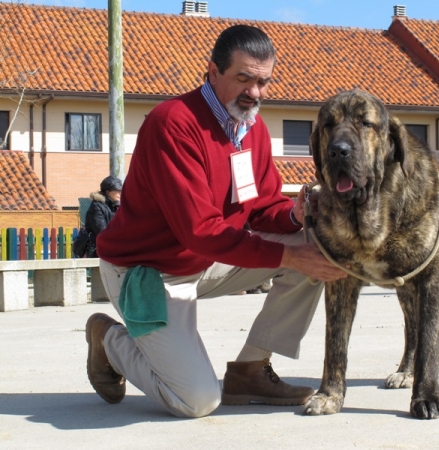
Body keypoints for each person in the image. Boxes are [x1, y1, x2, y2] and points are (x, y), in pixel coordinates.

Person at [85, 24, 347, 418]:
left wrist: (294, 214)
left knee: (316, 252)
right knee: (197, 401)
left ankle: (250, 370)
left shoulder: (252, 128)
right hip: (148, 274)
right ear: (212, 72)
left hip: (204, 260)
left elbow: (260, 209)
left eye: (263, 81)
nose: (254, 93)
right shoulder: (173, 123)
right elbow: (200, 230)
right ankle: (109, 340)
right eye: (243, 78)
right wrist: (289, 258)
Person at [84, 175, 122, 257]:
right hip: (98, 251)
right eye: (118, 191)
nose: (120, 193)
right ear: (108, 192)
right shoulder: (96, 206)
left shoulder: (117, 206)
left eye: (121, 191)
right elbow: (101, 231)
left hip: (115, 249)